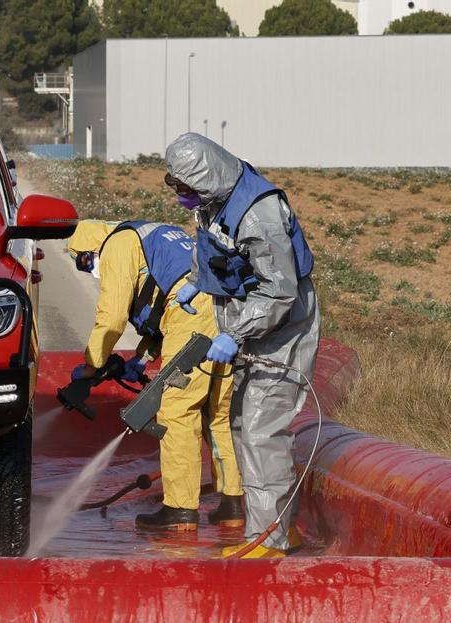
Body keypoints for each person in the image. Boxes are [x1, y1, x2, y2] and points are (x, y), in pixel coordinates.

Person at [164, 133, 320, 559]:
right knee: (239, 424)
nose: (180, 196)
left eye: (184, 188)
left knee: (261, 428)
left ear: (206, 177)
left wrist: (234, 334)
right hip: (250, 323)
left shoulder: (258, 216)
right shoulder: (215, 201)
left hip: (282, 326)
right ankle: (270, 529)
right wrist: (198, 282)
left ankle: (270, 542)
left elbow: (279, 293)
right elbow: (212, 246)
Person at [66, 219, 245, 531]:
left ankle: (180, 510)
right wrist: (141, 358)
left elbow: (111, 316)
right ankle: (233, 503)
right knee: (214, 414)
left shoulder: (117, 243)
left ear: (92, 247)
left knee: (176, 411)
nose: (88, 269)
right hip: (222, 310)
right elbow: (162, 300)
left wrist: (91, 366)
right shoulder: (153, 234)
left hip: (190, 315)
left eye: (84, 261)